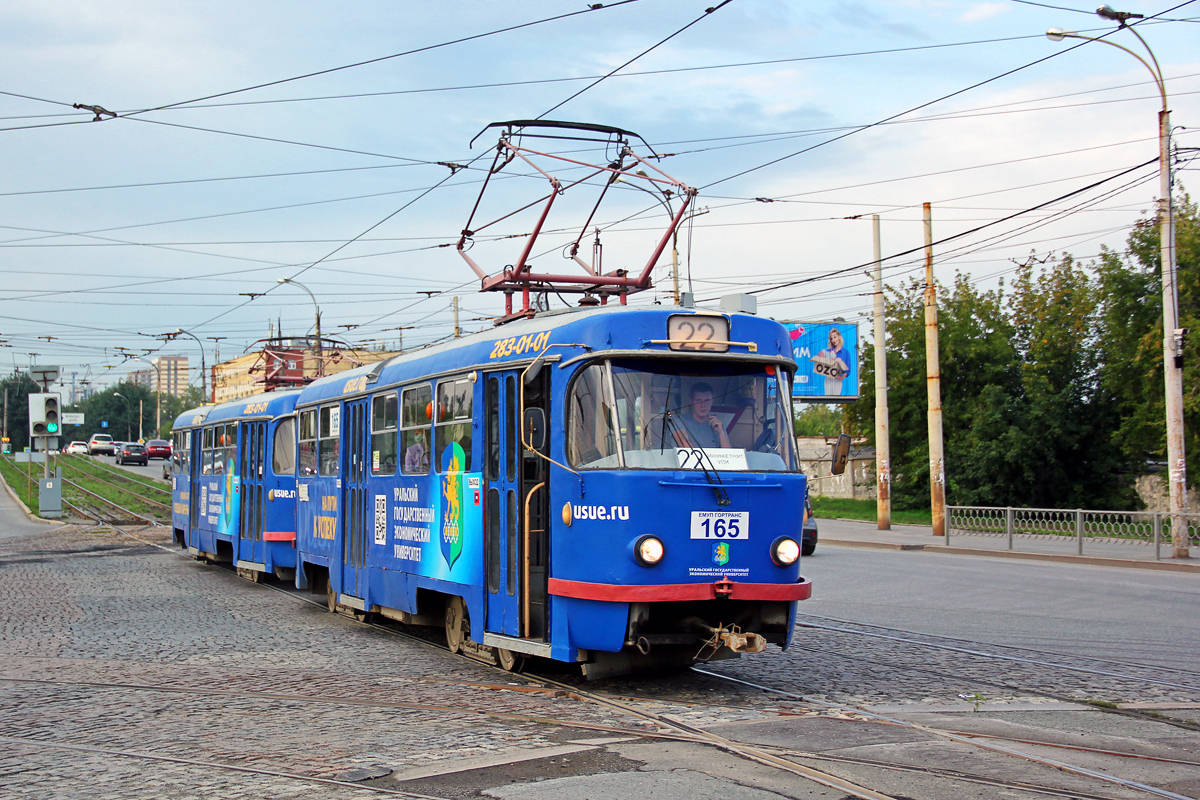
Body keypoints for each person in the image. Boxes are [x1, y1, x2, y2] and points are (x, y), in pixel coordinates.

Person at [675, 382, 731, 449]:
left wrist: (721, 432)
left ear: (712, 401)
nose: (703, 405)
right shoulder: (679, 420)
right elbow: (685, 445)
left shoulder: (717, 424)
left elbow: (729, 454)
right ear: (691, 401)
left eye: (707, 400)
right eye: (699, 400)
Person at [812, 327, 850, 396]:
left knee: (836, 397)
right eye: (831, 338)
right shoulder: (827, 352)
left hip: (837, 380)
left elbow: (848, 369)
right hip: (828, 379)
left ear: (839, 337)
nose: (833, 340)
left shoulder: (845, 352)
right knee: (828, 397)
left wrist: (842, 377)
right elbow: (820, 369)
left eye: (835, 337)